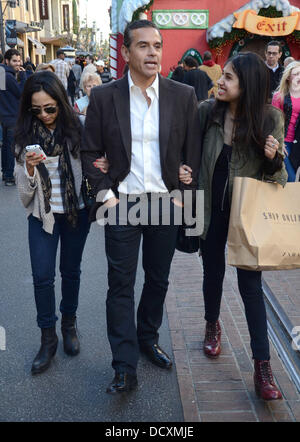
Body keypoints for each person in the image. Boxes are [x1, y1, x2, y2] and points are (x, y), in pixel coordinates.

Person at [81, 19, 201, 394]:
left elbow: (192, 152)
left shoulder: (182, 95)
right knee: (120, 285)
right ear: (126, 52)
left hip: (166, 202)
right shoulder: (104, 97)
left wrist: (183, 196)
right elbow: (89, 152)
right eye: (144, 46)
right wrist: (107, 197)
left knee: (158, 278)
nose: (153, 53)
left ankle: (147, 339)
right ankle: (123, 365)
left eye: (157, 45)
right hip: (122, 203)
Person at [180, 52, 287, 401]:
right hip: (210, 211)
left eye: (228, 77)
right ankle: (213, 324)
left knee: (251, 288)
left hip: (247, 217)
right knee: (212, 274)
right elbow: (188, 158)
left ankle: (262, 365)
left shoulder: (271, 119)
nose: (219, 81)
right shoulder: (205, 112)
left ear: (248, 86)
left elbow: (279, 180)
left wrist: (273, 160)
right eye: (221, 75)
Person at [14, 71, 91, 375]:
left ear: (61, 103)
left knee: (70, 272)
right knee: (42, 277)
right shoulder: (23, 138)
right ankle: (48, 338)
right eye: (37, 110)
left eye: (50, 108)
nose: (44, 115)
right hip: (42, 217)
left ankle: (69, 323)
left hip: (77, 213)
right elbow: (24, 196)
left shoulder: (79, 130)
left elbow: (93, 170)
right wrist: (30, 171)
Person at [0, 48, 26, 186]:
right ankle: (9, 175)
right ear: (7, 61)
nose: (17, 63)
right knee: (10, 148)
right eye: (14, 61)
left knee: (6, 147)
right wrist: (23, 76)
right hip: (11, 115)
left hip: (5, 115)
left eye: (19, 60)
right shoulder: (8, 76)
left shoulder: (3, 74)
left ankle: (6, 172)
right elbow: (21, 92)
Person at [272, 61, 300, 181]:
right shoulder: (279, 96)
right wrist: (279, 141)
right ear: (288, 76)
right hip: (284, 143)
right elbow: (273, 121)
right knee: (290, 178)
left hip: (297, 144)